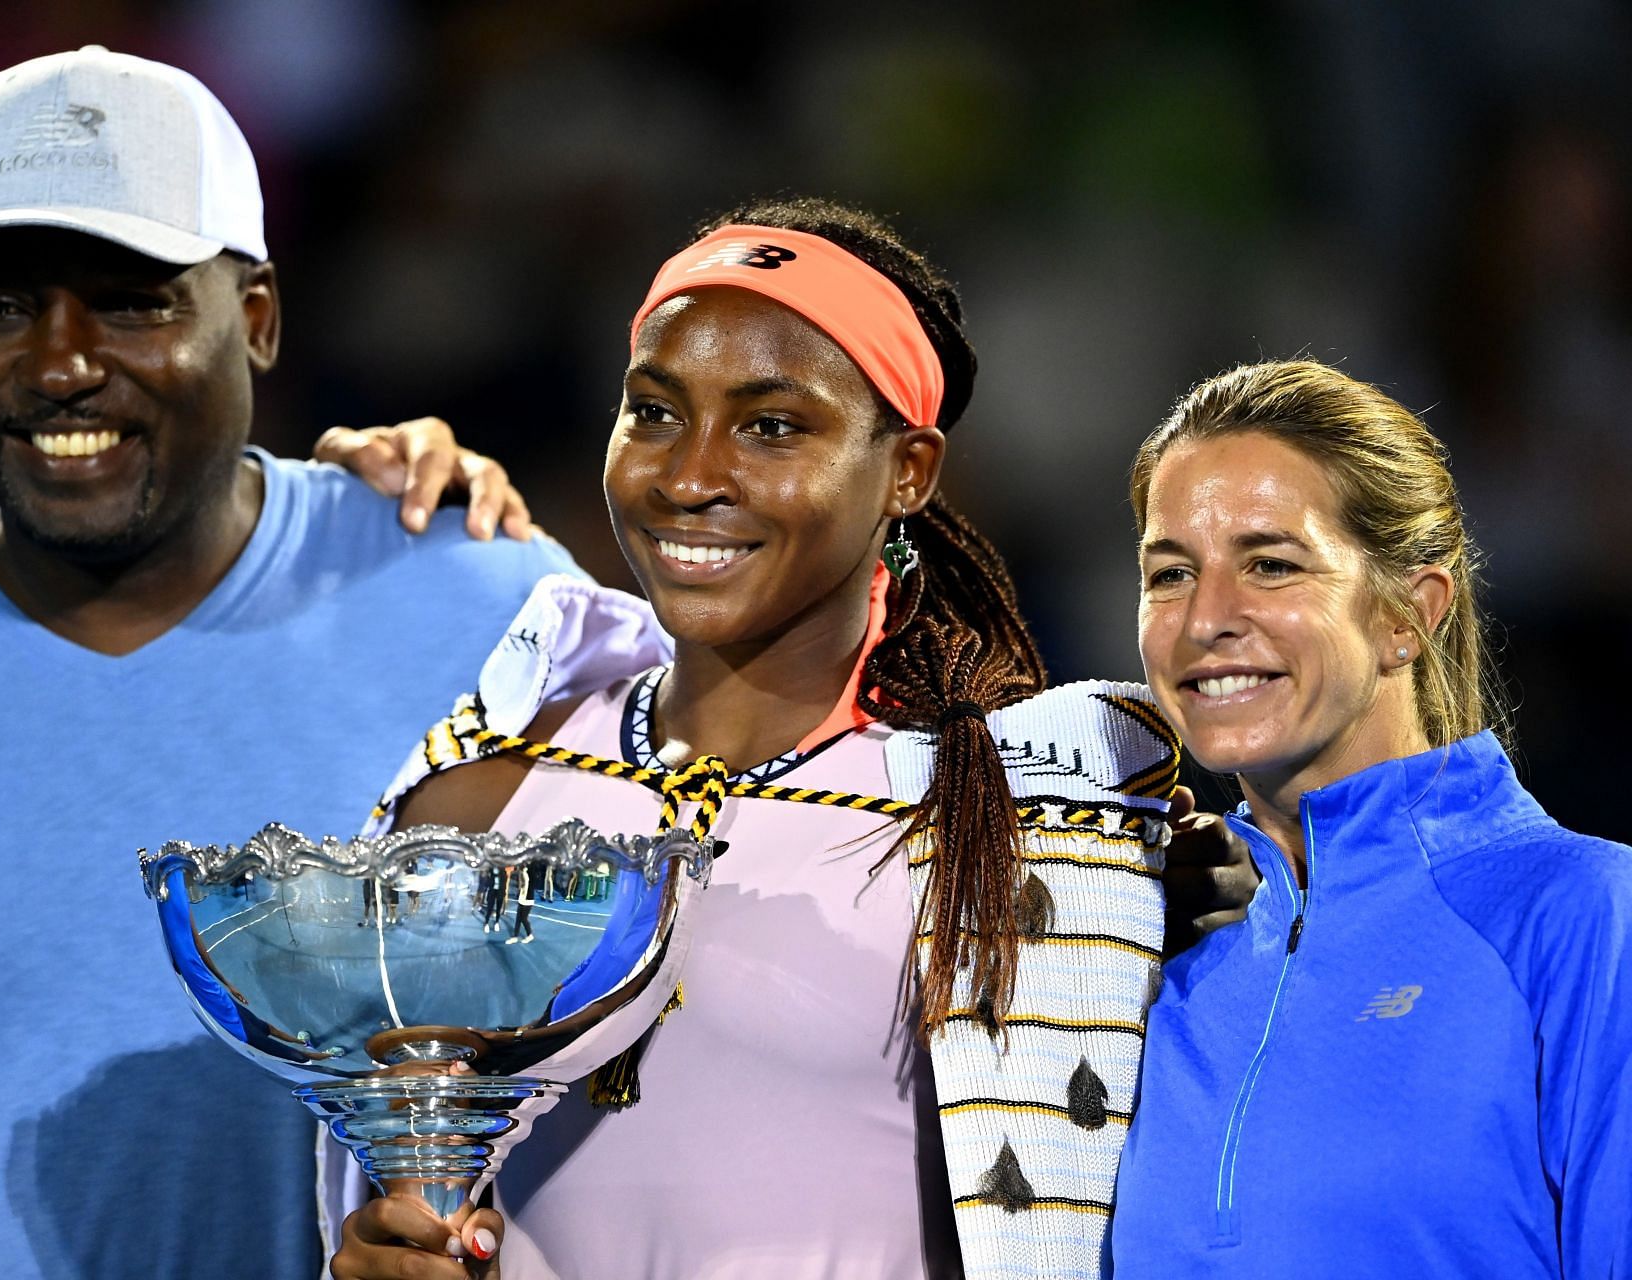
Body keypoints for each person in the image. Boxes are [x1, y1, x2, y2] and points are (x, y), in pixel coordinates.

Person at [0, 47, 576, 1280]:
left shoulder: (495, 606)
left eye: (133, 300)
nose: (60, 362)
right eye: (1, 303)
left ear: (259, 320)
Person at [325, 199, 1228, 1280]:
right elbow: (386, 1204)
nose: (690, 474)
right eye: (654, 411)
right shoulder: (481, 797)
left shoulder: (1017, 827)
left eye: (771, 426)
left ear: (910, 471)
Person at [1111, 360, 1632, 1276]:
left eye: (1270, 564)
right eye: (1170, 573)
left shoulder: (1585, 913)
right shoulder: (1129, 941)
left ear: (1407, 613)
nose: (1206, 619)